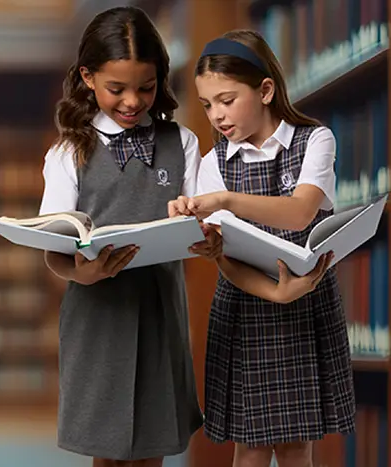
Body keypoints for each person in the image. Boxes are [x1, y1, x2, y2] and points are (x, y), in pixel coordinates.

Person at [169, 30, 355, 467]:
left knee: (296, 447)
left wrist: (226, 200)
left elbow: (300, 213)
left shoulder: (315, 140)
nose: (216, 115)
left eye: (227, 100)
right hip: (245, 308)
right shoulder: (213, 162)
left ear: (265, 89)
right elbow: (224, 258)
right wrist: (273, 291)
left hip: (305, 309)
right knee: (249, 448)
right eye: (207, 104)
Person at [38, 7, 203, 467]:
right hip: (97, 314)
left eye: (146, 88)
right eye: (117, 89)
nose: (133, 101)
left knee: (153, 445)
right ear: (88, 78)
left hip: (160, 310)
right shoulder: (69, 150)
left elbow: (205, 219)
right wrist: (82, 273)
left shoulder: (183, 142)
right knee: (106, 448)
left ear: (160, 79)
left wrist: (197, 219)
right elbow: (54, 247)